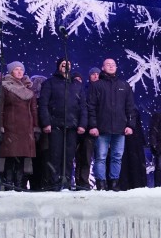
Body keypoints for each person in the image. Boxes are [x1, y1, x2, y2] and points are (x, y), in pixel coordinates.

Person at [87, 58, 137, 191]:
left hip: (120, 129)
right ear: (103, 68)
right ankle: (101, 184)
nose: (111, 66)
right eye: (108, 64)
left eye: (113, 64)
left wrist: (130, 125)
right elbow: (91, 107)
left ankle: (114, 183)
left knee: (117, 157)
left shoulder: (124, 85)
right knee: (101, 157)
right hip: (102, 128)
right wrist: (93, 125)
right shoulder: (97, 85)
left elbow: (130, 107)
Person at [39, 58, 86, 190]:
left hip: (72, 126)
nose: (66, 66)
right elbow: (43, 104)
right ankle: (54, 182)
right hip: (55, 125)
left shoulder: (76, 85)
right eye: (63, 64)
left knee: (69, 156)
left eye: (68, 64)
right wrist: (46, 122)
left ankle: (66, 182)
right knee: (55, 155)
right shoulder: (50, 83)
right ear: (58, 66)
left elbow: (83, 106)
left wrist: (82, 124)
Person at [0, 61, 38, 190]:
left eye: (21, 69)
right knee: (11, 157)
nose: (19, 72)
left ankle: (20, 185)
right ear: (11, 72)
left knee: (22, 157)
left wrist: (35, 127)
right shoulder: (5, 87)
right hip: (11, 128)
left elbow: (34, 110)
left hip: (26, 129)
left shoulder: (28, 88)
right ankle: (9, 185)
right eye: (16, 69)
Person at [74, 67, 101, 189]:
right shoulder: (85, 90)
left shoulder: (103, 90)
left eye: (97, 74)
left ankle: (87, 181)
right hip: (84, 127)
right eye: (93, 74)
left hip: (98, 127)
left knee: (91, 157)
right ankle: (81, 182)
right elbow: (85, 109)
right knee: (82, 156)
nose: (95, 76)